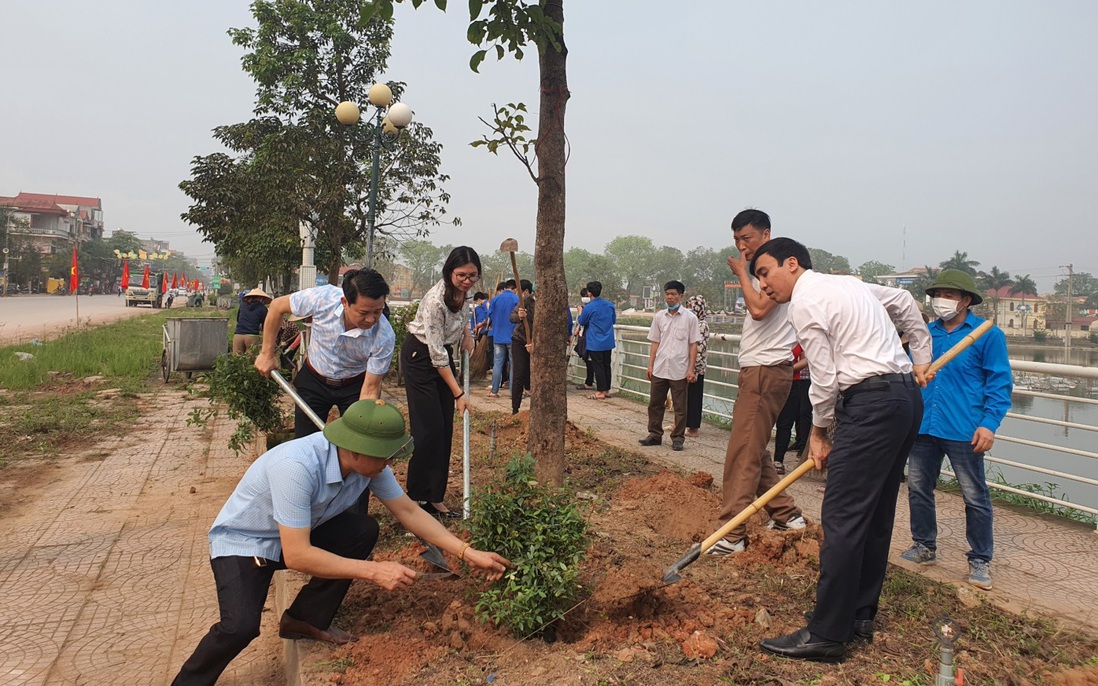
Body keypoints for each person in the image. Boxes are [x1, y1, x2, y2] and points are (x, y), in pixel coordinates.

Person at [171, 399, 510, 685]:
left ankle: (304, 619)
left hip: (297, 532)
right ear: (354, 449)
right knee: (240, 627)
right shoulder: (297, 468)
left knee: (361, 530)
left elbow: (408, 511)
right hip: (247, 542)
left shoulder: (370, 466)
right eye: (384, 457)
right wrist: (374, 571)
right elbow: (298, 555)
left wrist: (467, 552)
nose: (390, 464)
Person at [749, 237, 931, 662]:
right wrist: (920, 354)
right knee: (875, 512)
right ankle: (859, 615)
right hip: (904, 400)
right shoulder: (847, 284)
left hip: (869, 405)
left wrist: (818, 432)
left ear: (791, 264)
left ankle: (827, 633)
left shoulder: (805, 303)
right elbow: (904, 301)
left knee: (843, 518)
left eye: (764, 273)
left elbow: (825, 377)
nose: (763, 286)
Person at [900, 269, 1012, 591]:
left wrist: (989, 424)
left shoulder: (986, 335)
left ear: (965, 300)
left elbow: (1000, 383)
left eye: (949, 295)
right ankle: (924, 545)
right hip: (923, 424)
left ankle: (979, 558)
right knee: (919, 488)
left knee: (974, 496)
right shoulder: (924, 333)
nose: (941, 301)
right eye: (938, 295)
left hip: (964, 427)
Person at [709, 209, 804, 557]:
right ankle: (786, 514)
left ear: (766, 234)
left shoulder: (774, 273)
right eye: (736, 240)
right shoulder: (765, 272)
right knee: (753, 447)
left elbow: (759, 310)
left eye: (746, 238)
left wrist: (742, 274)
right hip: (758, 370)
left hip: (765, 371)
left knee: (742, 452)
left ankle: (732, 532)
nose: (741, 246)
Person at [254, 269, 394, 439]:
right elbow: (277, 306)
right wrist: (266, 354)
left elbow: (371, 389)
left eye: (377, 312)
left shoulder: (384, 336)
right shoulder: (322, 299)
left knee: (355, 440)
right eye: (363, 313)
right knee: (305, 442)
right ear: (345, 302)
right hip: (314, 379)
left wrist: (363, 422)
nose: (371, 319)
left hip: (355, 384)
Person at [402, 247, 479, 519]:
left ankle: (435, 497)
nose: (467, 280)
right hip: (421, 357)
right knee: (427, 430)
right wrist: (458, 393)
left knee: (444, 429)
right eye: (461, 275)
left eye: (472, 275)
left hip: (443, 356)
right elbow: (437, 355)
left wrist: (467, 333)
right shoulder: (436, 301)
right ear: (449, 273)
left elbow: (461, 320)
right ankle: (415, 498)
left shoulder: (464, 295)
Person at [638, 281, 700, 451]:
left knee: (680, 407)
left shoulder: (690, 318)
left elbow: (693, 345)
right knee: (655, 403)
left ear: (681, 296)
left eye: (673, 294)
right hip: (660, 367)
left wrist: (691, 369)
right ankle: (654, 435)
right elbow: (655, 342)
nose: (670, 297)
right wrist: (650, 365)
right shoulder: (659, 316)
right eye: (667, 294)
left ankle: (678, 438)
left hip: (679, 368)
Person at [772, 343, 812, 475]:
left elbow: (806, 359)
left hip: (793, 382)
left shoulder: (799, 337)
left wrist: (790, 369)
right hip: (772, 380)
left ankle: (778, 459)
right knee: (764, 419)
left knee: (785, 422)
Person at [576, 280, 616, 400]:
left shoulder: (589, 307)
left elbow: (582, 321)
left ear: (589, 293)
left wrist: (580, 312)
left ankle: (600, 392)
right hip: (608, 340)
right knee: (606, 365)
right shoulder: (610, 305)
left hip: (595, 341)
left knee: (598, 366)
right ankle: (607, 390)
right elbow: (613, 321)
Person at [487, 280, 519, 398]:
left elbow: (490, 315)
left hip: (498, 336)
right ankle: (513, 392)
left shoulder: (495, 299)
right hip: (512, 337)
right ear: (515, 288)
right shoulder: (517, 299)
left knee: (497, 364)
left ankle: (494, 391)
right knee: (513, 365)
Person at [685, 295, 710, 437]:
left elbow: (700, 349)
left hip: (696, 368)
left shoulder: (701, 325)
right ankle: (681, 423)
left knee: (694, 397)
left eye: (690, 305)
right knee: (684, 397)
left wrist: (693, 369)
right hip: (686, 366)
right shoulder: (692, 322)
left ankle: (693, 428)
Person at [509, 279, 535, 415]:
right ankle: (515, 409)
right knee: (518, 374)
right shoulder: (525, 301)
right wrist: (519, 316)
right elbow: (512, 316)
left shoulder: (548, 305)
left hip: (536, 344)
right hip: (519, 341)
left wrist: (534, 344)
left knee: (533, 375)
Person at [233, 287, 272, 354]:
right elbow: (265, 325)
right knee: (250, 361)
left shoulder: (243, 305)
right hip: (252, 336)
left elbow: (238, 318)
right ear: (261, 298)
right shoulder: (263, 308)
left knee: (236, 361)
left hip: (238, 335)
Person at [573, 287, 596, 391]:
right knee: (587, 359)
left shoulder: (589, 308)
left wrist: (581, 312)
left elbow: (584, 320)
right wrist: (578, 329)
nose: (585, 298)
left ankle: (589, 382)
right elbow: (581, 322)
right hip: (583, 336)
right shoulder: (584, 307)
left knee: (590, 360)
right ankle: (589, 381)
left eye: (586, 296)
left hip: (589, 337)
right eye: (583, 296)